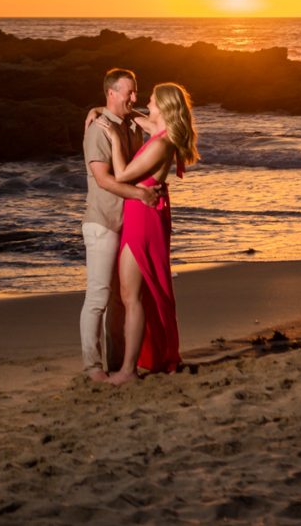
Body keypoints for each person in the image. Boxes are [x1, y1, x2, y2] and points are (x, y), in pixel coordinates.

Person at [99, 81, 199, 385]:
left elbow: (122, 175)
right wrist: (100, 110)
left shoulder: (160, 143)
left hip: (143, 217)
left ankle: (128, 370)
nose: (147, 104)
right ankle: (137, 362)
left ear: (165, 108)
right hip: (145, 214)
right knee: (136, 294)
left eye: (153, 101)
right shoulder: (161, 133)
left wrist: (114, 141)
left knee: (132, 296)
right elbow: (134, 116)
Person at [80, 68, 159, 383]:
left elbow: (158, 127)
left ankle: (115, 362)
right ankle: (91, 367)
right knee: (98, 297)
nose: (134, 97)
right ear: (112, 92)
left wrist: (101, 108)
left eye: (136, 92)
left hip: (127, 225)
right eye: (129, 92)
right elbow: (103, 180)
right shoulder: (98, 130)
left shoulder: (130, 123)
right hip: (102, 223)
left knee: (119, 301)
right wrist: (141, 194)